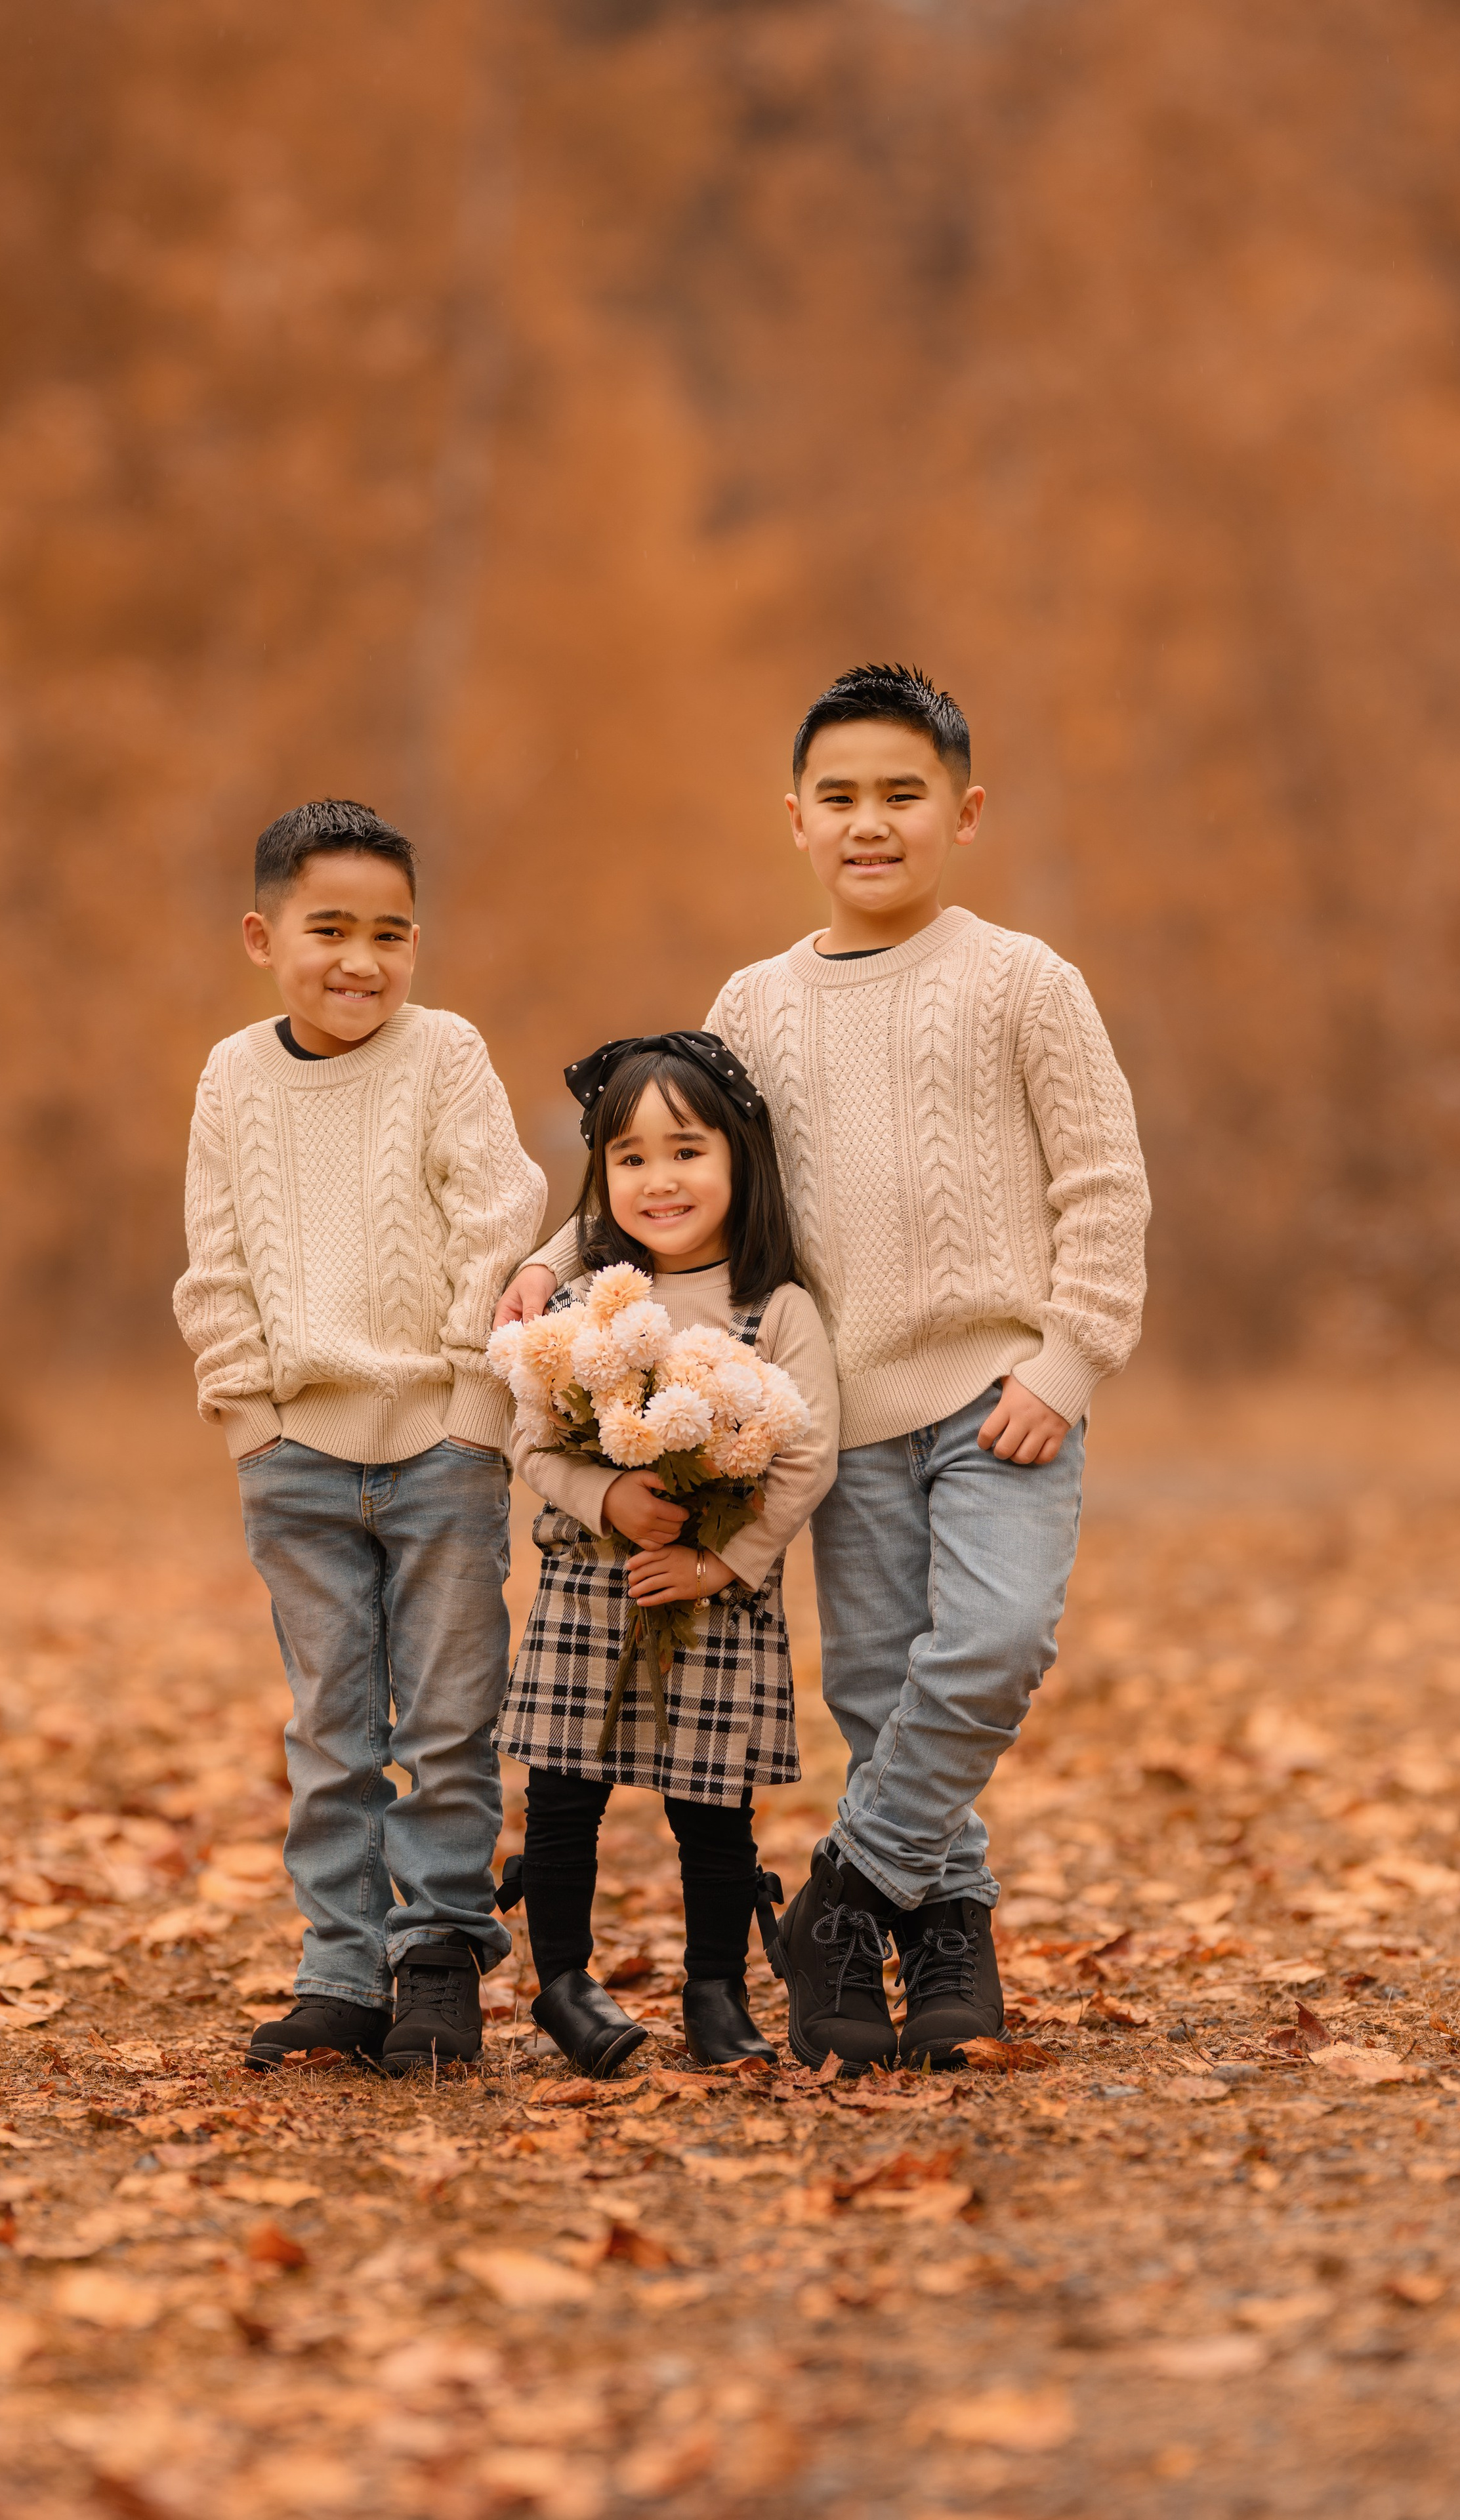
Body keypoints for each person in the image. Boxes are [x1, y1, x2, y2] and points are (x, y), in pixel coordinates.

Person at [498, 666, 1149, 2071]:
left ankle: (846, 1894)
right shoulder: (756, 1000)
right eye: (838, 797)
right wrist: (556, 1256)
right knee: (872, 1683)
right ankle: (944, 1926)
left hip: (999, 1397)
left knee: (987, 1646)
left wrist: (1066, 1359)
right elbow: (668, 1159)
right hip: (834, 1409)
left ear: (961, 812)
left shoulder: (1022, 981)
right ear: (792, 817)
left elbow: (1103, 1186)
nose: (870, 822)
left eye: (901, 795)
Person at [173, 798, 546, 2076]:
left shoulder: (442, 1053)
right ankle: (340, 1962)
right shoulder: (234, 1076)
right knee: (333, 1726)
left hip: (441, 1447)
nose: (359, 959)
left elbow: (499, 1215)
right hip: (294, 1455)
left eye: (389, 933)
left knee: (446, 1716)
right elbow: (216, 1262)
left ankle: (434, 1953)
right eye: (327, 927)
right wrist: (251, 1419)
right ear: (260, 934)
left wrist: (465, 1410)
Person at [494, 1035, 838, 2077]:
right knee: (560, 1798)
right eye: (630, 1158)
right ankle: (562, 1981)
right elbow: (528, 1436)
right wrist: (605, 1492)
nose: (659, 1179)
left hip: (716, 1595)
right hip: (589, 1582)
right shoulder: (589, 1301)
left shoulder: (775, 1306)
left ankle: (716, 1988)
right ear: (600, 1179)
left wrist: (720, 1562)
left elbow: (809, 1450)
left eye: (685, 1151)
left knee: (711, 1810)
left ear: (740, 1161)